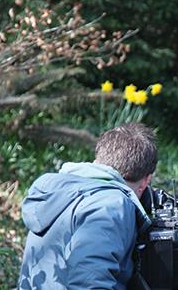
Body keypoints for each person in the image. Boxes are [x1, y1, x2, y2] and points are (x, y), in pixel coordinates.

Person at [18, 123, 155, 289]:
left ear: (99, 159)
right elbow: (90, 282)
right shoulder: (110, 205)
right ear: (145, 181)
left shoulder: (57, 191)